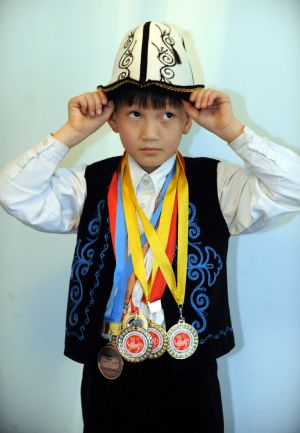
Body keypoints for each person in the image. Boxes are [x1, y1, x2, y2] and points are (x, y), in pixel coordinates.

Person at [0, 21, 300, 433]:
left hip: (189, 368)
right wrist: (71, 133)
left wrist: (232, 131)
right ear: (113, 119)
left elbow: (293, 187)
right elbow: (13, 192)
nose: (150, 131)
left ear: (188, 120)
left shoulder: (219, 184)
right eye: (135, 113)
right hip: (111, 366)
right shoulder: (89, 184)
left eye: (167, 114)